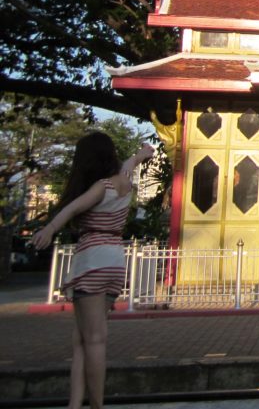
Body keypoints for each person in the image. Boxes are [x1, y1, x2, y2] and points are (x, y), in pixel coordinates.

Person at [30, 132, 154, 409]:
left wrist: (49, 229)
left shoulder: (101, 186)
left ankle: (96, 404)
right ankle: (75, 404)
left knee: (95, 340)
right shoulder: (125, 181)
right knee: (82, 339)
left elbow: (73, 208)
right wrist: (143, 154)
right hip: (114, 261)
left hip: (92, 260)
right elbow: (130, 163)